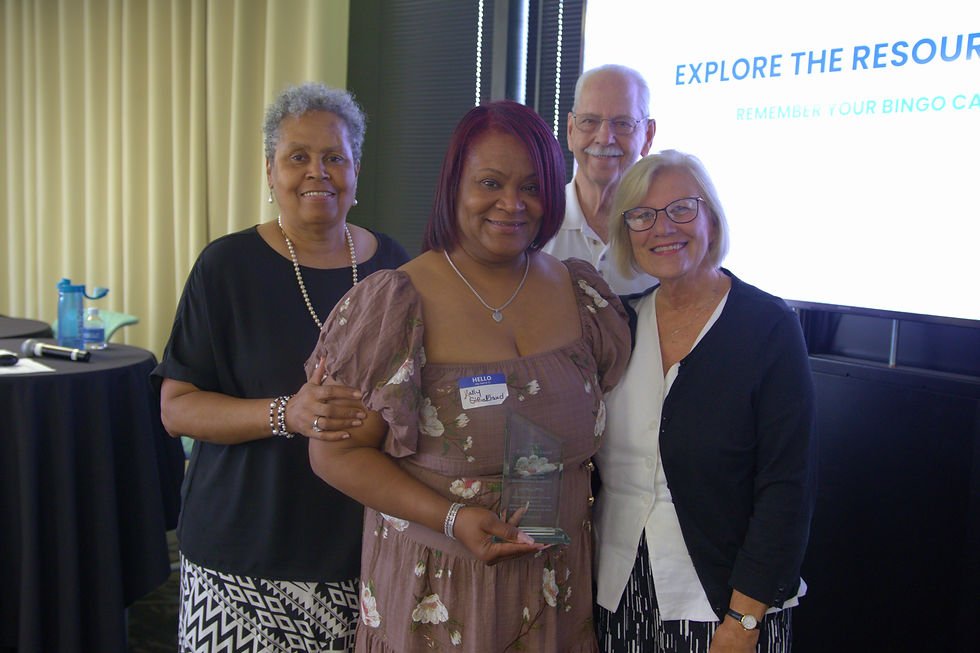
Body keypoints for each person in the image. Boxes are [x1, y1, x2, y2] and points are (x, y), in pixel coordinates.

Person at [305, 100, 631, 652]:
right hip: (436, 595)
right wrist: (453, 517)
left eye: (532, 186)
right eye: (490, 182)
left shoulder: (582, 295)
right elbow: (333, 453)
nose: (513, 204)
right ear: (454, 186)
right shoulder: (396, 302)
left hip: (557, 586)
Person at [153, 82, 410, 652]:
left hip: (363, 556)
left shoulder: (397, 269)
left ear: (356, 170)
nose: (317, 172)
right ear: (270, 171)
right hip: (242, 562)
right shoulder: (226, 267)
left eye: (334, 157)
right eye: (298, 157)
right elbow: (176, 408)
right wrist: (285, 413)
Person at [593, 150, 816, 652]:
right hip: (613, 593)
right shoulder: (617, 325)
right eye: (643, 216)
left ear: (711, 219)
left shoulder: (768, 328)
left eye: (681, 209)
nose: (662, 228)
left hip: (723, 607)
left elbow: (787, 489)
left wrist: (744, 621)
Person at [542, 64, 657, 295]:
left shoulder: (667, 235)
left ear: (648, 136)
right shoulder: (535, 226)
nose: (604, 138)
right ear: (570, 131)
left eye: (623, 123)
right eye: (589, 121)